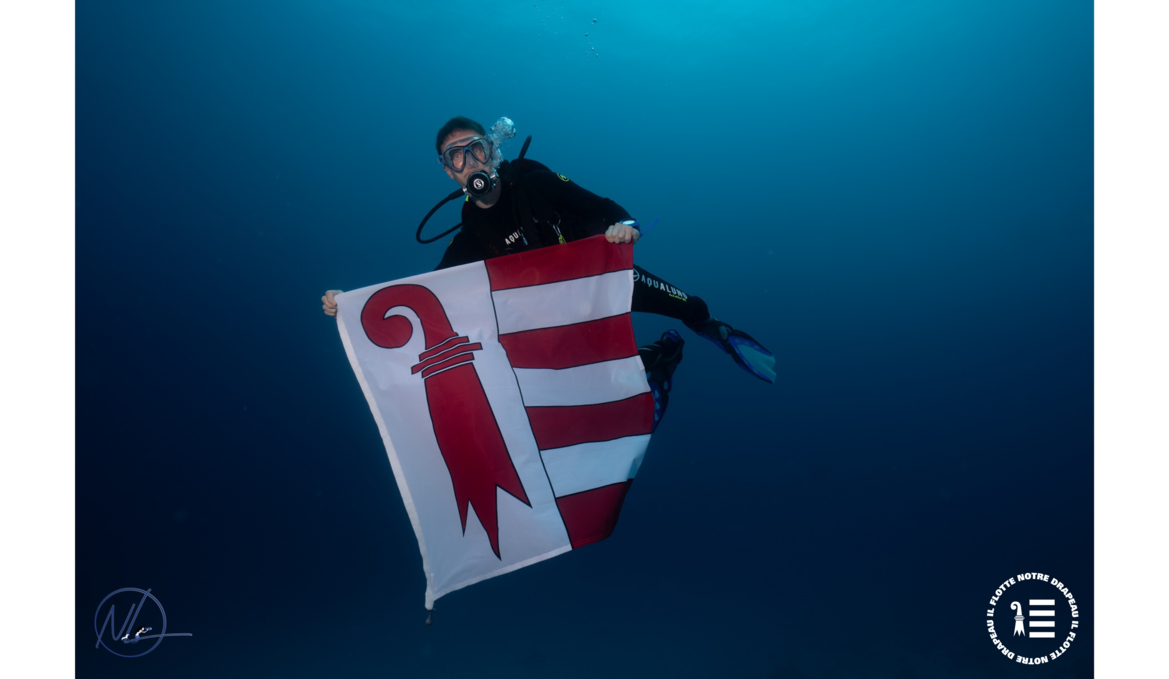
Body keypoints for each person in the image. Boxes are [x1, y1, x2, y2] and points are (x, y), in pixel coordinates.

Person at [323, 117, 776, 424]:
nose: (469, 163)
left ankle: (713, 330)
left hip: (601, 278)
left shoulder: (534, 181)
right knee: (590, 386)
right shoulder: (470, 232)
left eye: (475, 149)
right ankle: (659, 361)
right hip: (554, 314)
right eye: (455, 157)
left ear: (491, 150)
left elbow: (608, 208)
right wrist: (355, 306)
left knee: (691, 306)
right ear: (448, 173)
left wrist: (623, 229)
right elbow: (429, 291)